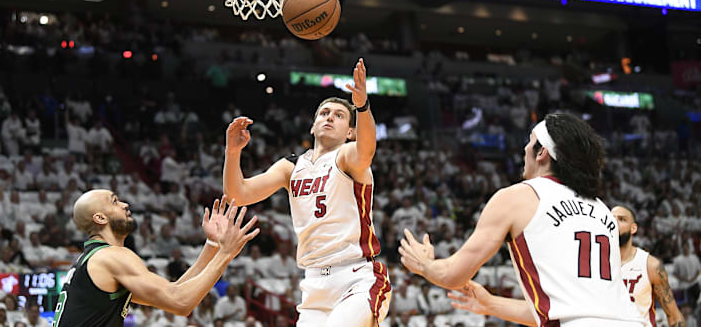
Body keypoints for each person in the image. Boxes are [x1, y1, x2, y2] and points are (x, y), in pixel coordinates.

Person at [399, 113, 643, 326]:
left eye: (530, 142)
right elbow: (567, 309)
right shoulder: (602, 211)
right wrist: (491, 304)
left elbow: (453, 275)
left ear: (542, 153)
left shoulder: (517, 197)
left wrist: (424, 265)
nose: (525, 149)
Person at [223, 59, 392, 327]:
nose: (329, 118)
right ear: (313, 126)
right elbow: (238, 195)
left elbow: (366, 150)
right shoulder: (290, 167)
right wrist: (232, 153)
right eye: (324, 113)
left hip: (356, 276)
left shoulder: (347, 156)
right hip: (314, 284)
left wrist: (362, 106)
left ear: (350, 132)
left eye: (339, 115)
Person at [51, 191, 258, 327]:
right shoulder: (111, 256)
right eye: (114, 201)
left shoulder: (93, 259)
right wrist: (226, 253)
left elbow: (176, 291)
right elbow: (181, 302)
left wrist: (213, 245)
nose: (124, 204)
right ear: (100, 218)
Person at [613, 206, 685, 327]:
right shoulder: (595, 262)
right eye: (611, 219)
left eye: (621, 219)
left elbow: (674, 315)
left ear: (633, 228)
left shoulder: (650, 265)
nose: (614, 223)